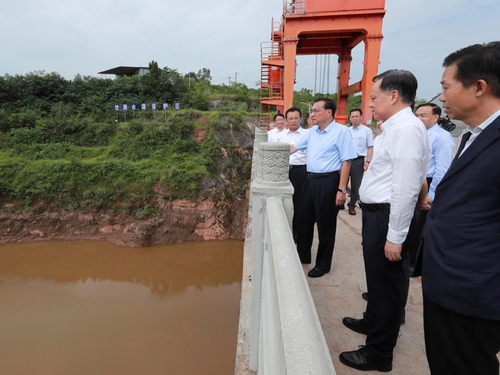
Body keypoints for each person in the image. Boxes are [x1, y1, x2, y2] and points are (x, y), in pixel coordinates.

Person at [339, 70, 430, 372]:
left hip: (389, 217)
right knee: (378, 280)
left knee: (389, 285)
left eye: (374, 98)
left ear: (393, 95)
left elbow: (406, 185)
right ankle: (372, 322)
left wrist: (396, 235)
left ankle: (378, 354)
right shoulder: (394, 128)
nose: (370, 106)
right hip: (379, 215)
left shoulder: (406, 129)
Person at [421, 41, 500, 375]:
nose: (441, 97)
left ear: (478, 87)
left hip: (473, 294)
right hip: (451, 284)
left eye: (445, 87)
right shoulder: (474, 135)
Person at [290, 98, 356, 278]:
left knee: (326, 225)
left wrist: (341, 190)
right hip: (309, 180)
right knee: (303, 220)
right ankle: (302, 256)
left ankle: (323, 264)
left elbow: (346, 161)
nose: (312, 114)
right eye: (311, 110)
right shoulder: (312, 133)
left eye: (316, 110)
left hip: (329, 182)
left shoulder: (341, 132)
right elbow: (293, 148)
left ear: (328, 112)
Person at [407, 103, 454, 271]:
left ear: (436, 117)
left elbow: (443, 168)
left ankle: (415, 265)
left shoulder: (441, 137)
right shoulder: (417, 134)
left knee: (420, 228)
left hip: (428, 183)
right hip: (414, 181)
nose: (419, 118)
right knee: (410, 223)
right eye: (417, 115)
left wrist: (431, 194)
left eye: (423, 115)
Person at [281, 107, 307, 242]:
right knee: (281, 202)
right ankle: (283, 231)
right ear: (286, 120)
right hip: (284, 170)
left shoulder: (306, 134)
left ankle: (297, 233)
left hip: (300, 171)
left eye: (296, 118)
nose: (293, 121)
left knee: (299, 203)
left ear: (300, 119)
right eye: (290, 118)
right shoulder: (281, 136)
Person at [347, 108, 373, 215]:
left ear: (361, 117)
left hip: (358, 161)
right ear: (350, 118)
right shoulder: (347, 131)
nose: (355, 118)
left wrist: (367, 161)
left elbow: (370, 147)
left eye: (357, 116)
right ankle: (340, 203)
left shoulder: (367, 131)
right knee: (342, 182)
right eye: (352, 116)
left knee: (355, 184)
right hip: (346, 160)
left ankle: (352, 205)